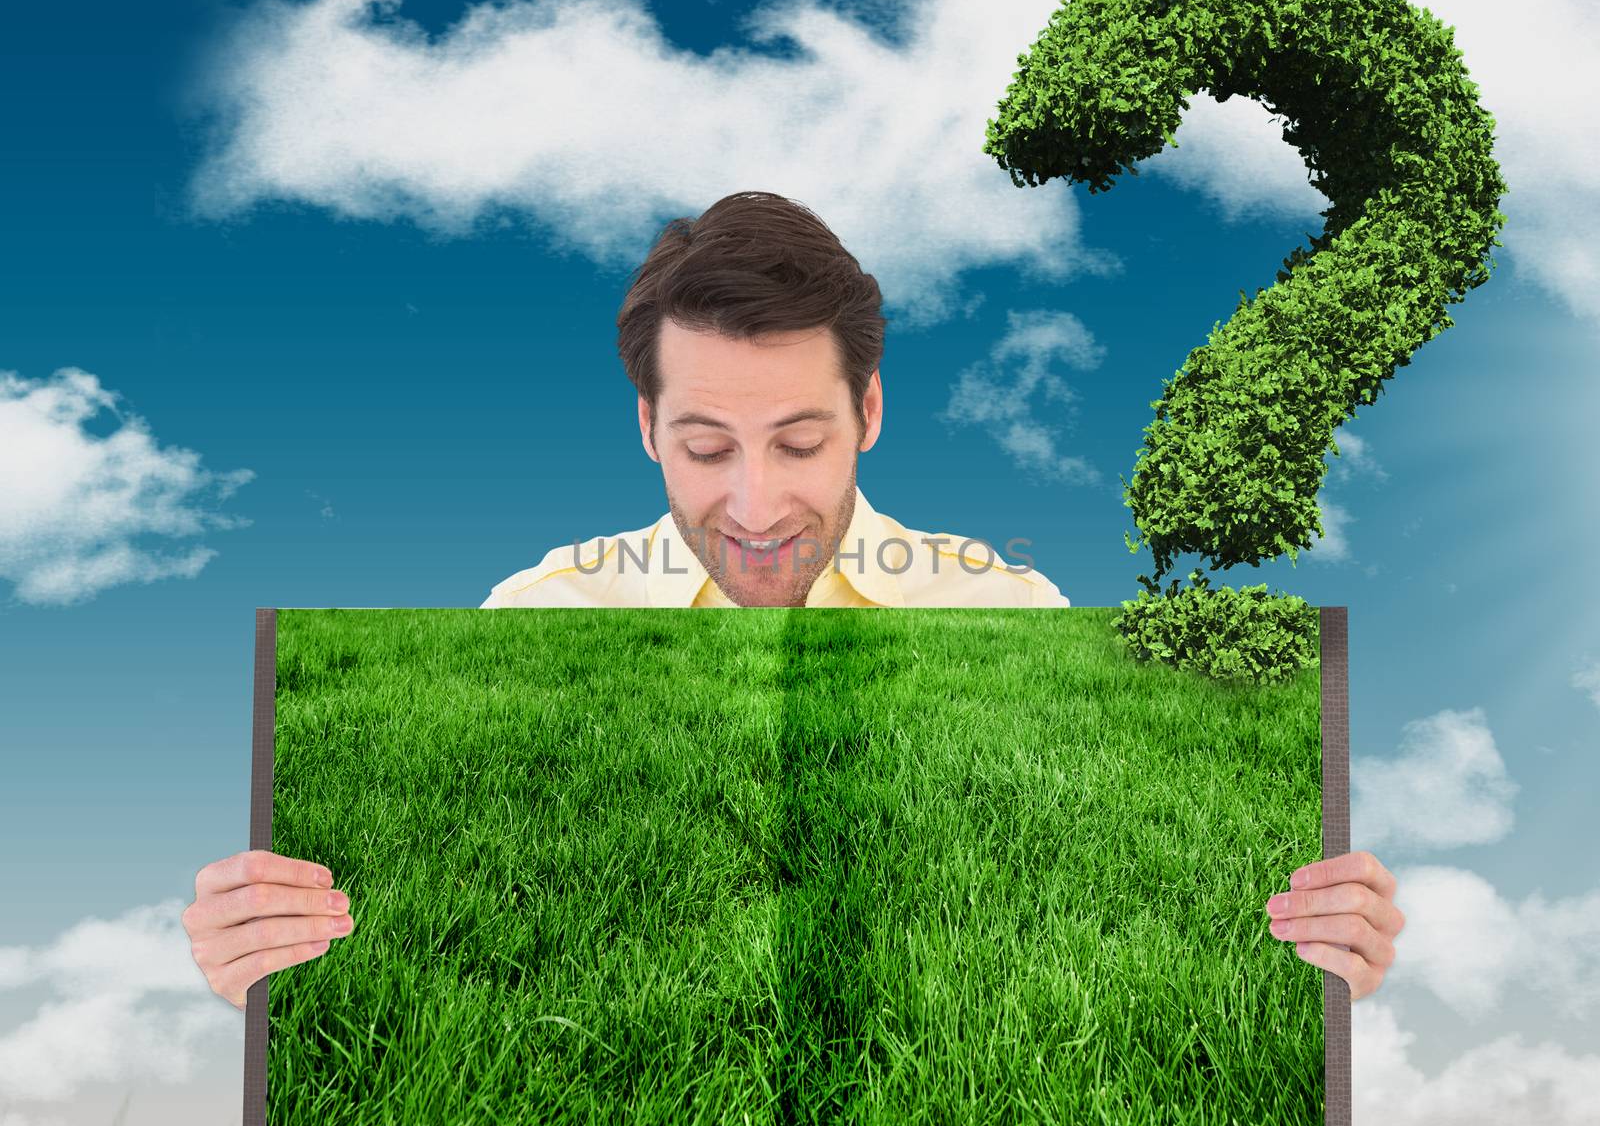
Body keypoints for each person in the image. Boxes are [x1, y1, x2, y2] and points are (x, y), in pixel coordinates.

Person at [183, 192, 1404, 1009]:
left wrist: (1315, 947)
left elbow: (1131, 915)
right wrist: (262, 957)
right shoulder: (541, 616)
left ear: (868, 416)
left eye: (801, 442)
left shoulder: (1012, 613)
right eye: (708, 446)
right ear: (648, 427)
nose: (758, 504)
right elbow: (452, 948)